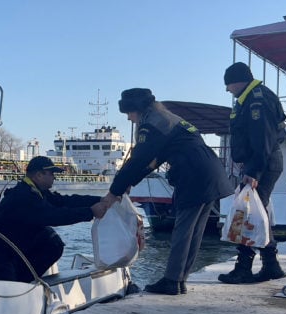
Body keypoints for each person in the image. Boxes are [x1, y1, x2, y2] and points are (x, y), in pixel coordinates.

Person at [100, 88, 234, 295]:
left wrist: (114, 191)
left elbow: (140, 159)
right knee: (195, 232)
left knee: (183, 230)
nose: (129, 118)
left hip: (194, 175)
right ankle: (180, 280)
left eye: (129, 113)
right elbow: (155, 160)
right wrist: (129, 183)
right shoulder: (167, 118)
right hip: (210, 172)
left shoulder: (152, 123)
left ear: (137, 109)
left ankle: (172, 281)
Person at [0, 156, 106, 283]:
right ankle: (22, 284)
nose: (54, 177)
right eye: (51, 174)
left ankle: (24, 282)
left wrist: (99, 200)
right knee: (8, 290)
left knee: (51, 241)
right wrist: (90, 212)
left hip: (13, 248)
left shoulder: (35, 191)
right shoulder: (23, 197)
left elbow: (64, 202)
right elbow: (53, 216)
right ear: (39, 175)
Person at [218, 62, 286, 284]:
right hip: (260, 162)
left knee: (248, 215)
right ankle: (271, 265)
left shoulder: (257, 99)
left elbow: (262, 139)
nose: (228, 90)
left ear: (238, 81)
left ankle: (244, 268)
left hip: (262, 164)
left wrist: (254, 171)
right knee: (258, 213)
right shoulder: (252, 98)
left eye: (228, 85)